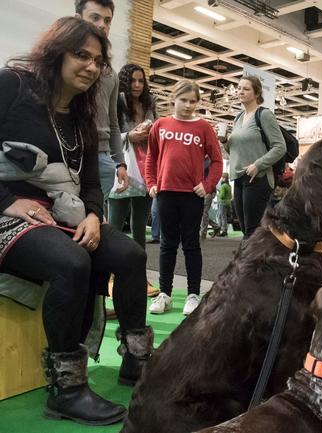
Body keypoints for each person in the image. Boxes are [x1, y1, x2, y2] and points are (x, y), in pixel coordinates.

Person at [0, 17, 151, 425]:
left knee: (131, 255)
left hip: (64, 214)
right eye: (81, 54)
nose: (91, 66)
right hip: (8, 215)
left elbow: (89, 182)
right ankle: (66, 389)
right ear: (56, 52)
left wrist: (94, 215)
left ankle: (137, 360)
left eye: (99, 61)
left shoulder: (82, 114)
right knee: (71, 262)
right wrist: (7, 200)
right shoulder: (11, 85)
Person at [145, 79, 223, 316]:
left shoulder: (203, 128)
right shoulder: (160, 125)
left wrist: (208, 184)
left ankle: (192, 294)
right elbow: (151, 158)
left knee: (191, 244)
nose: (188, 105)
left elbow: (217, 161)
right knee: (167, 245)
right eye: (184, 100)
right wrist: (151, 183)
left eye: (193, 101)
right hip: (166, 193)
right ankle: (164, 294)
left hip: (192, 195)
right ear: (174, 99)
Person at [108, 63, 159, 297]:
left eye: (141, 81)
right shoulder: (116, 101)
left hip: (146, 168)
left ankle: (141, 278)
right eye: (133, 81)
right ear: (125, 81)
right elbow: (108, 133)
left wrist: (151, 131)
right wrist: (130, 135)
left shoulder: (150, 103)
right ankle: (109, 277)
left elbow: (158, 132)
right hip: (122, 167)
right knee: (114, 226)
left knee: (140, 228)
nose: (137, 85)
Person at [75, 0, 129, 201]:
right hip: (71, 155)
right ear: (78, 19)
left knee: (95, 220)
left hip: (103, 158)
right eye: (94, 18)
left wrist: (120, 163)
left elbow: (113, 122)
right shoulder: (62, 63)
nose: (102, 25)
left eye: (107, 20)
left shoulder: (110, 74)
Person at [224, 75, 285, 239]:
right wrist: (224, 142)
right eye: (238, 88)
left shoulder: (264, 115)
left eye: (246, 88)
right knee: (245, 229)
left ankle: (253, 263)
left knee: (254, 230)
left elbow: (280, 147)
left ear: (257, 93)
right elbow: (235, 150)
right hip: (238, 177)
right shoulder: (238, 117)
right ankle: (251, 262)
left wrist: (258, 164)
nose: (240, 91)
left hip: (258, 177)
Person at [214, 172, 232, 237]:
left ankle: (222, 230)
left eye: (222, 177)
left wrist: (218, 193)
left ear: (224, 178)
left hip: (222, 203)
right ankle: (223, 230)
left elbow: (222, 196)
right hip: (228, 203)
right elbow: (230, 196)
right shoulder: (228, 186)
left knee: (221, 217)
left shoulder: (223, 186)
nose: (221, 179)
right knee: (224, 217)